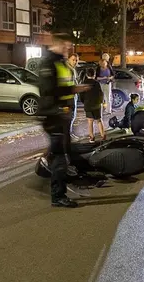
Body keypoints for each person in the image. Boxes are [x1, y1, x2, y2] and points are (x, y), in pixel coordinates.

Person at [37, 33, 90, 208]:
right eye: (66, 46)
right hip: (53, 115)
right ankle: (58, 196)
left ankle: (69, 178)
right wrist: (75, 88)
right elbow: (49, 89)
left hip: (63, 114)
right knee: (59, 155)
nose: (68, 49)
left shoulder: (60, 62)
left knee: (66, 149)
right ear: (57, 44)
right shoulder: (48, 63)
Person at [80, 68, 106, 142]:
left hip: (88, 104)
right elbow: (100, 93)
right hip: (97, 104)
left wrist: (84, 102)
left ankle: (92, 137)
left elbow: (81, 95)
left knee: (90, 122)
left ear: (87, 74)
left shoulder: (83, 83)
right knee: (99, 120)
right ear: (94, 75)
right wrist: (101, 102)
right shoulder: (96, 83)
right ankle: (103, 135)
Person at [67, 53, 80, 139]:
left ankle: (69, 132)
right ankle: (68, 134)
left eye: (76, 60)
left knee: (73, 115)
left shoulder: (73, 69)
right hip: (69, 96)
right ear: (68, 59)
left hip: (73, 95)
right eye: (73, 59)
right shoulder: (68, 70)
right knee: (70, 116)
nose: (75, 62)